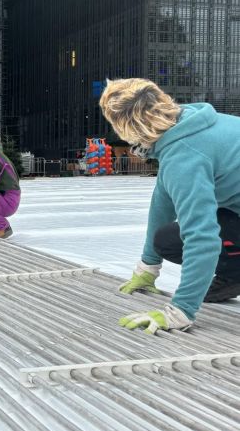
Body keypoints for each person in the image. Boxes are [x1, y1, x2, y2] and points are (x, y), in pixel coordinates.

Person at [100, 78, 240, 335]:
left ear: (129, 127)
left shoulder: (184, 154)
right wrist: (147, 268)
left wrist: (181, 309)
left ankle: (234, 271)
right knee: (167, 239)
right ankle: (235, 273)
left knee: (183, 238)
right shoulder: (188, 126)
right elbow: (162, 204)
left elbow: (202, 237)